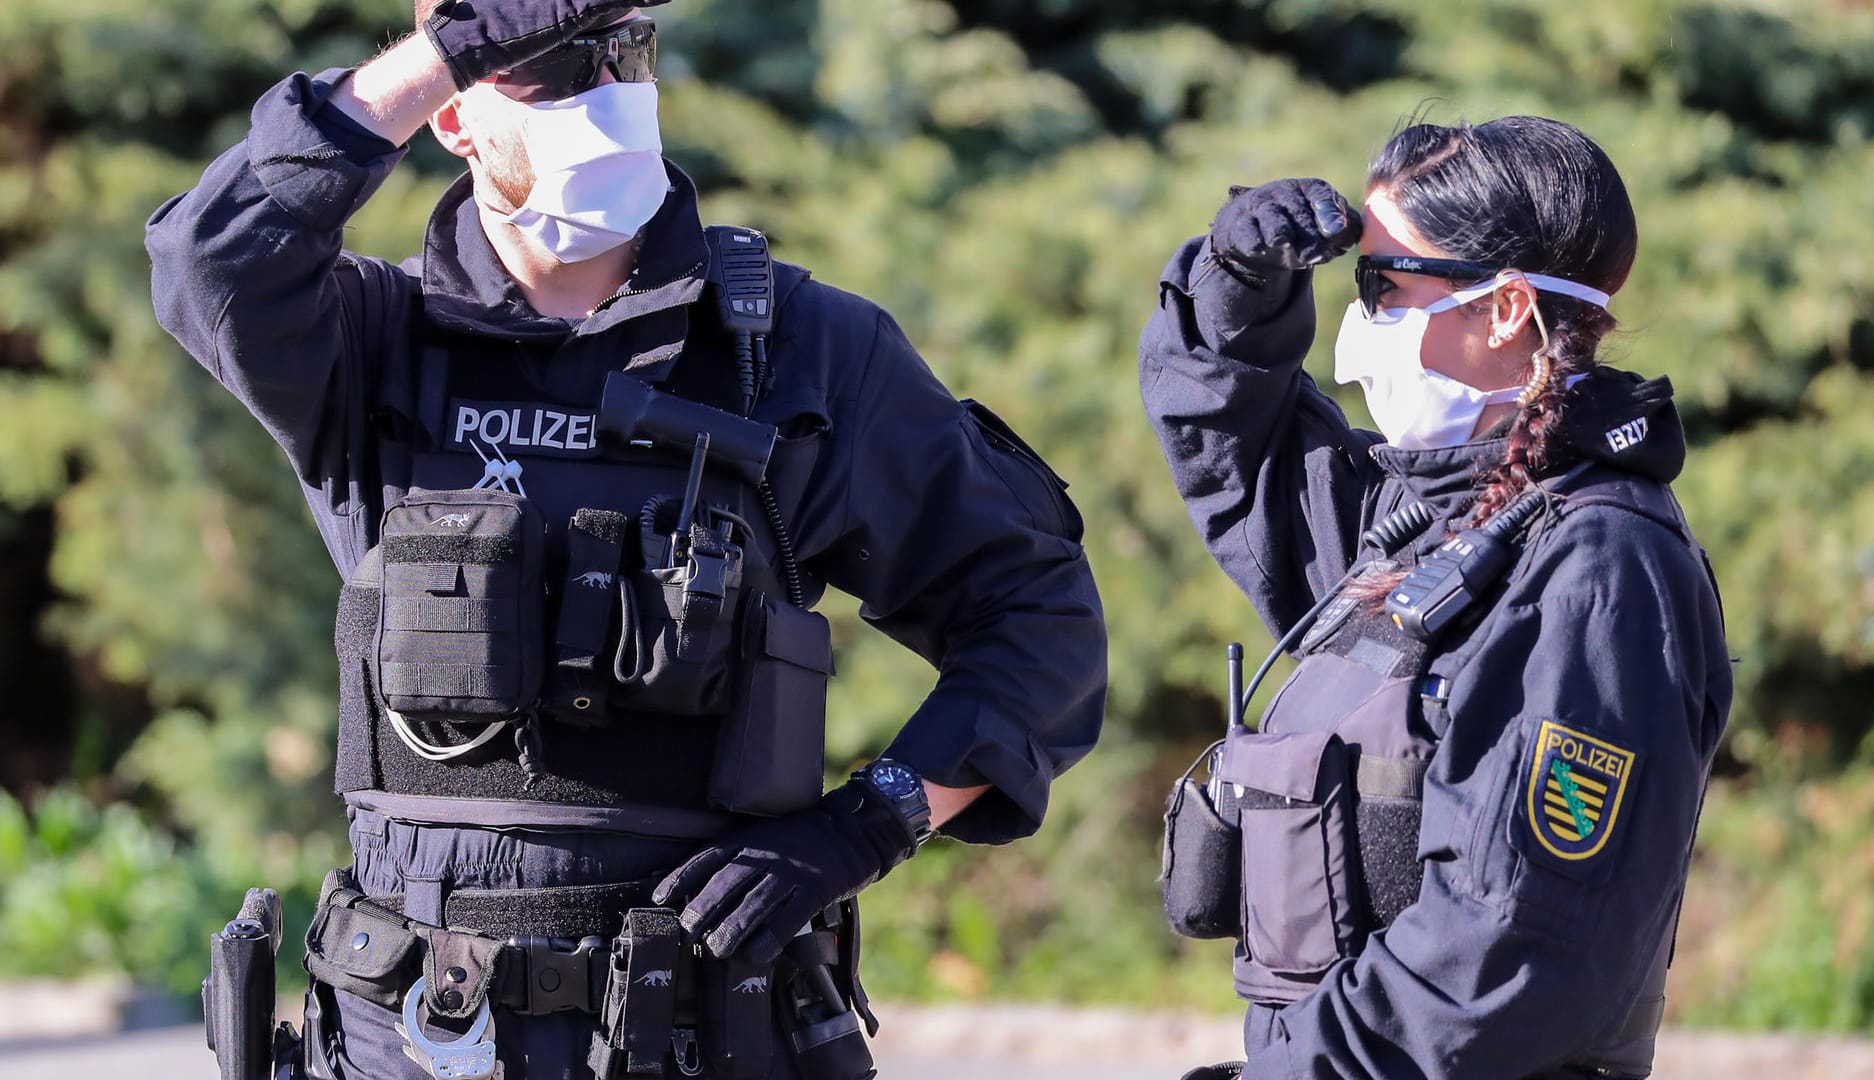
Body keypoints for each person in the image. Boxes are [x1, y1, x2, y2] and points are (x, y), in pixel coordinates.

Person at [147, 1, 1105, 1077]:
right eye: (540, 69)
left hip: (698, 1023)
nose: (599, 92)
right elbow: (207, 257)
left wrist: (868, 826)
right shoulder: (369, 341)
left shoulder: (800, 349)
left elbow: (1038, 619)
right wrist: (451, 48)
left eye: (623, 50)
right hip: (404, 1031)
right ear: (452, 120)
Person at [1140, 117, 1733, 1079]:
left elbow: (1508, 948)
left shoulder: (1602, 569)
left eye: (1383, 283)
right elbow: (1236, 460)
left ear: (1504, 311)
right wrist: (1237, 285)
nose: (1360, 315)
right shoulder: (1426, 521)